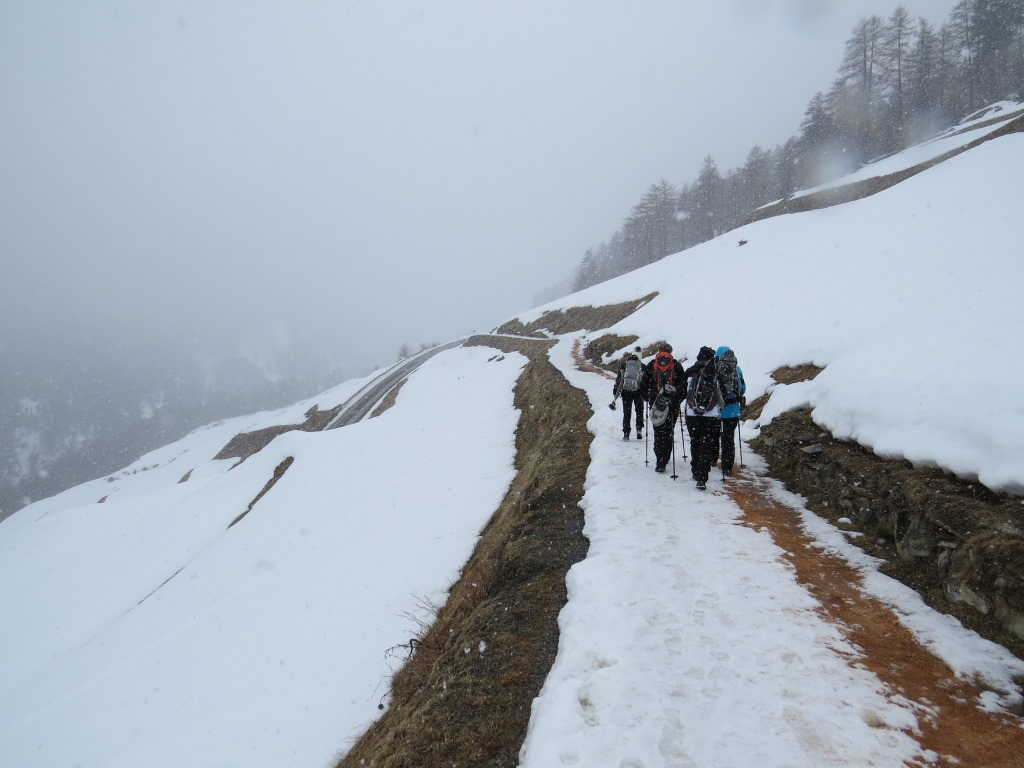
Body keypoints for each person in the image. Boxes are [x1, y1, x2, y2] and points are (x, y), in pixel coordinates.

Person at [683, 346, 725, 490]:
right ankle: (702, 476)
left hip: (692, 413)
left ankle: (695, 469)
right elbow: (721, 395)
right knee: (706, 444)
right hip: (711, 415)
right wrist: (722, 406)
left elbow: (682, 391)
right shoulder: (716, 373)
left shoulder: (690, 371)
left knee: (695, 441)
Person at [643, 343, 687, 473]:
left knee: (658, 431)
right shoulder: (676, 366)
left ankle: (659, 460)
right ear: (670, 351)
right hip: (672, 404)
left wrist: (649, 398)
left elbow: (643, 385)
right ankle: (665, 457)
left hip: (656, 403)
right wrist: (676, 400)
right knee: (668, 432)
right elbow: (683, 386)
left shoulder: (651, 365)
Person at [711, 345, 746, 475]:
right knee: (728, 438)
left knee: (714, 435)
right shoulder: (737, 369)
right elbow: (743, 388)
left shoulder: (714, 369)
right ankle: (727, 466)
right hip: (733, 410)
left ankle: (713, 459)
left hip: (716, 410)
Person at [612, 346, 646, 440]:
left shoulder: (624, 365)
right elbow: (645, 380)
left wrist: (615, 390)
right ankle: (639, 429)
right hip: (638, 391)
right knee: (639, 410)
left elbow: (619, 379)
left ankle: (626, 433)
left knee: (627, 412)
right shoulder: (642, 366)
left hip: (626, 391)